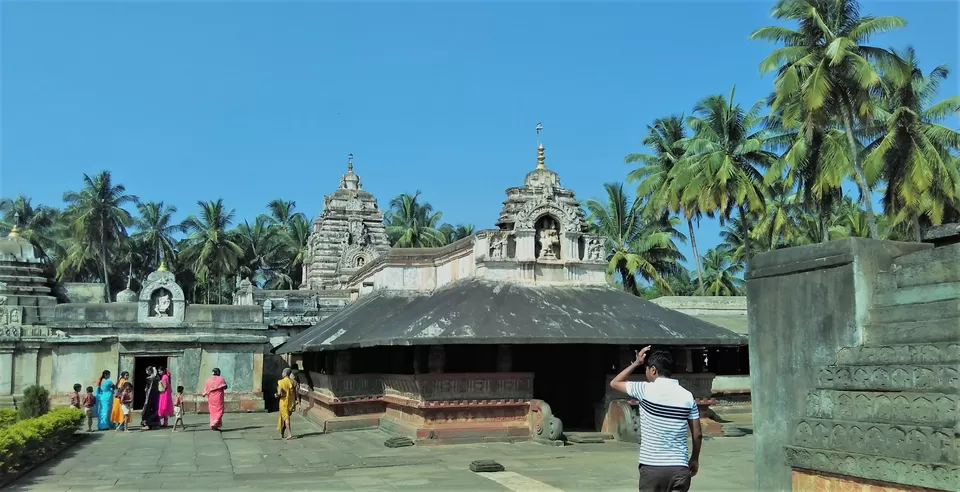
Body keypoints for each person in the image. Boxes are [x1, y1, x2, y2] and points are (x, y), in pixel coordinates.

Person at [610, 346, 702, 492]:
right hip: (680, 468)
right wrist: (695, 458)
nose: (646, 373)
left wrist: (636, 363)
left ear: (653, 370)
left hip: (652, 468)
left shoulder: (644, 390)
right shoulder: (687, 396)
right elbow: (697, 434)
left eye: (646, 369)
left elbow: (615, 383)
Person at [276, 368, 297, 440]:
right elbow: (296, 392)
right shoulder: (294, 382)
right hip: (291, 402)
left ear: (285, 373)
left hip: (284, 402)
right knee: (285, 417)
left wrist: (276, 395)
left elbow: (279, 394)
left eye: (283, 372)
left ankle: (289, 434)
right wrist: (298, 402)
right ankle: (282, 432)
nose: (282, 374)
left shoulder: (281, 382)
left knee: (286, 418)